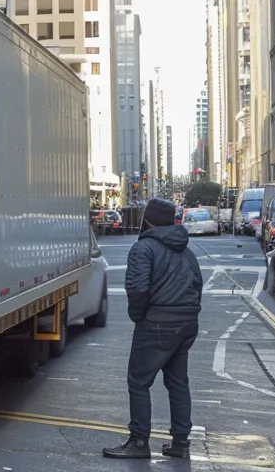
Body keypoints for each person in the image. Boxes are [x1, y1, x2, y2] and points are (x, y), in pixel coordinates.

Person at [103, 197, 203, 460]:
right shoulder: (186, 250)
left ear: (148, 220)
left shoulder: (144, 248)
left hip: (157, 321)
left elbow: (137, 288)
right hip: (186, 322)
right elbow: (197, 284)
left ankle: (139, 442)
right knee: (178, 382)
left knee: (138, 381)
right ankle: (181, 443)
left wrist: (139, 316)